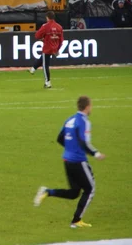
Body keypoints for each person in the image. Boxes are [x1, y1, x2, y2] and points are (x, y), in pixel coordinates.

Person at [34, 96, 106, 228]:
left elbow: (60, 138)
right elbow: (84, 142)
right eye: (91, 106)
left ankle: (47, 192)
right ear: (87, 107)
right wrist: (96, 153)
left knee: (74, 193)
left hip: (67, 160)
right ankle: (76, 220)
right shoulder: (84, 121)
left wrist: (70, 149)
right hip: (79, 161)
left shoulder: (70, 120)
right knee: (90, 189)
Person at [29, 11, 63, 88]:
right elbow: (61, 40)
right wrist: (57, 49)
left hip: (47, 48)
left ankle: (47, 82)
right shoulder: (59, 27)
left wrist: (43, 38)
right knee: (44, 59)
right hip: (54, 47)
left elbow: (37, 35)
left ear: (47, 17)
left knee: (45, 65)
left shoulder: (45, 26)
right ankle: (33, 68)